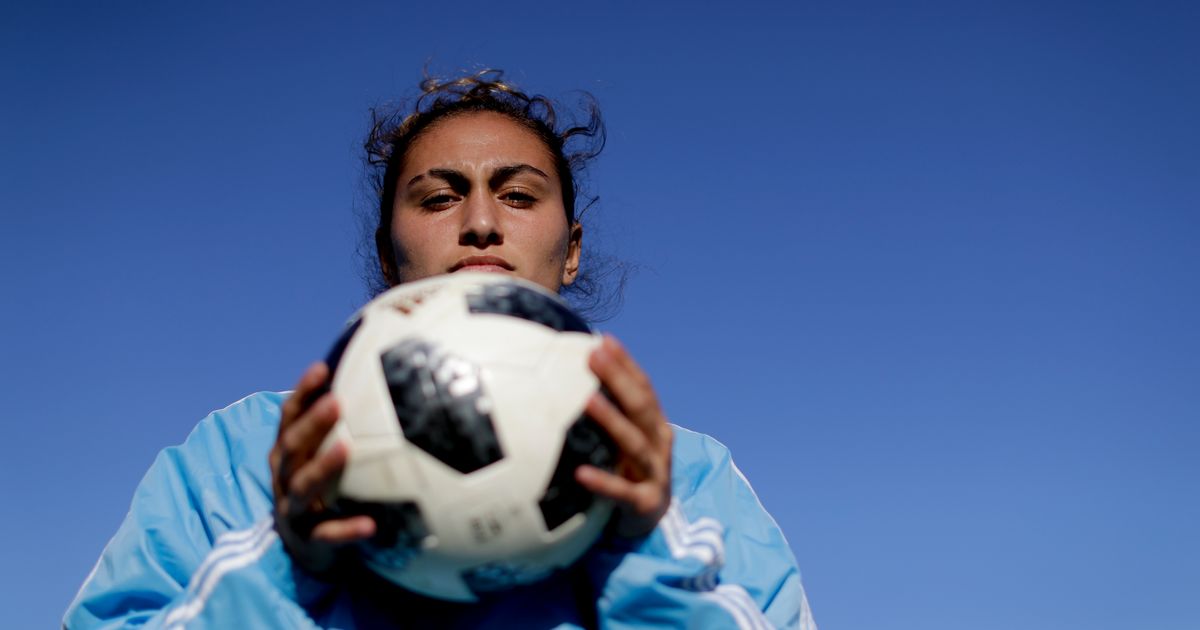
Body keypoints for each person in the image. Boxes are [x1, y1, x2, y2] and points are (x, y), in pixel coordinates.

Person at [64, 70, 817, 629]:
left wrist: (644, 552)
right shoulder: (244, 453)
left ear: (572, 249)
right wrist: (288, 563)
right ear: (388, 255)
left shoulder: (685, 474)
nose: (482, 222)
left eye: (519, 195)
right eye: (439, 196)